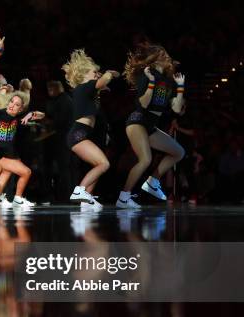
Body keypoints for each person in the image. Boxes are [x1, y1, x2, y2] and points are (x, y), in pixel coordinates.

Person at [117, 42, 186, 208]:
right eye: (163, 55)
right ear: (155, 60)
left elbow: (176, 108)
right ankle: (123, 197)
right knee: (145, 159)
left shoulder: (168, 82)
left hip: (150, 126)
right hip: (138, 121)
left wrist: (181, 87)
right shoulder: (147, 75)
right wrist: (151, 82)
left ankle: (152, 182)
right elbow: (144, 103)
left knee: (178, 152)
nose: (167, 57)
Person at [63, 49, 119, 210]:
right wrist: (108, 74)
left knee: (98, 165)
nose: (97, 74)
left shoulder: (86, 90)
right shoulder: (83, 87)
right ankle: (79, 191)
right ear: (84, 74)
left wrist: (99, 90)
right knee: (103, 164)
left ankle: (86, 200)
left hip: (82, 133)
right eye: (94, 72)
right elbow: (101, 82)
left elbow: (96, 91)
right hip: (78, 134)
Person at [0, 91, 44, 208]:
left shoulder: (18, 118)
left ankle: (9, 199)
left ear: (20, 109)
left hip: (1, 155)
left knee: (26, 172)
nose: (12, 105)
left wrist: (31, 114)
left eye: (17, 104)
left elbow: (42, 115)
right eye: (12, 102)